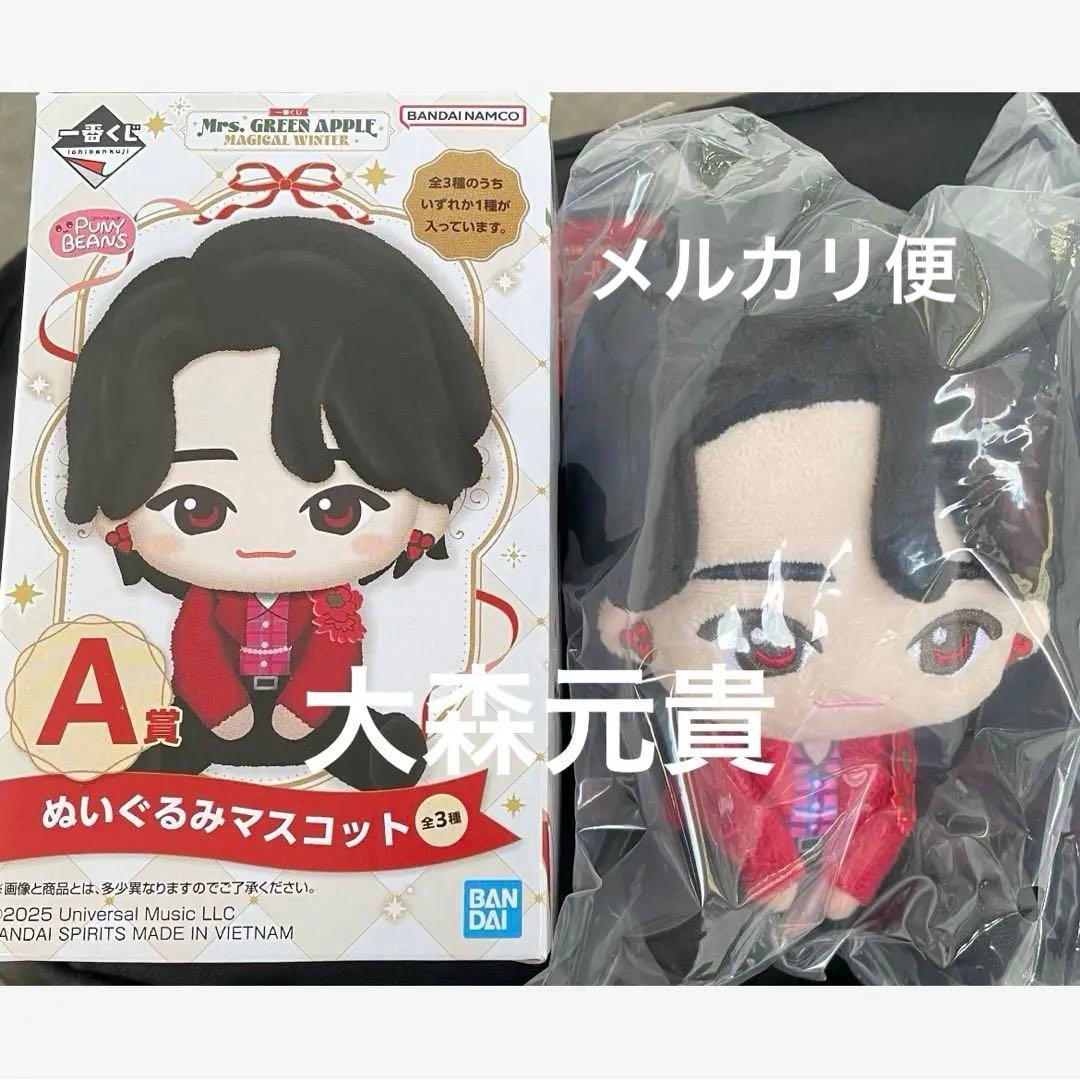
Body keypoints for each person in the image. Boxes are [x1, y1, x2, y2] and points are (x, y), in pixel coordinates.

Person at [64, 216, 492, 789]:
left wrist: (303, 712)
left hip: (316, 713)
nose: (265, 544)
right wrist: (222, 709)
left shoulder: (335, 604)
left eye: (337, 511)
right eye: (197, 510)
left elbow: (335, 656)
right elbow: (195, 649)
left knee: (351, 730)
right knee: (175, 737)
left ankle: (369, 758)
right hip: (214, 712)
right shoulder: (207, 603)